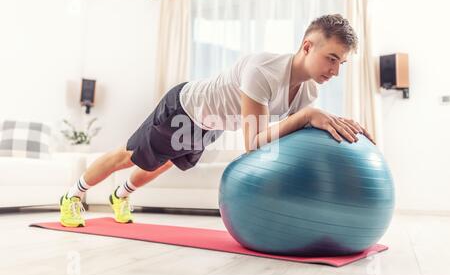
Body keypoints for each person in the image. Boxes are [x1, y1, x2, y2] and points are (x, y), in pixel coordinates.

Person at [59, 13, 375, 227]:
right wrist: (308, 117)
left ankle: (120, 196)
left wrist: (320, 121)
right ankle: (72, 195)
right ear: (308, 46)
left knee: (164, 162)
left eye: (341, 63)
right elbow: (254, 143)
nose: (335, 71)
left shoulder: (307, 93)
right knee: (128, 156)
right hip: (184, 107)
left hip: (213, 125)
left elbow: (285, 139)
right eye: (331, 58)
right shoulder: (263, 71)